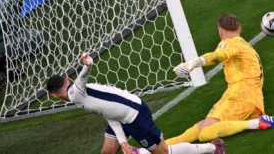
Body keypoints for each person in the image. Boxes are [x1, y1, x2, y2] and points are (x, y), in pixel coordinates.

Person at [46, 53, 227, 154]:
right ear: (66, 78)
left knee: (163, 153)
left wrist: (87, 64)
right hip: (120, 116)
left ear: (55, 95)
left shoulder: (75, 94)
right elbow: (110, 113)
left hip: (135, 114)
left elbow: (82, 79)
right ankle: (134, 150)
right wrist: (123, 142)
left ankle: (213, 148)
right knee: (107, 152)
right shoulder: (80, 95)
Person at [168, 14, 274, 145]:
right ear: (240, 28)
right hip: (244, 96)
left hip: (240, 96)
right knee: (200, 127)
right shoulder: (244, 44)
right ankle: (151, 150)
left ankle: (258, 123)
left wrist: (192, 63)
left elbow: (218, 55)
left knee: (205, 134)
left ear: (220, 32)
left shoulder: (229, 43)